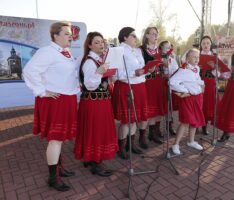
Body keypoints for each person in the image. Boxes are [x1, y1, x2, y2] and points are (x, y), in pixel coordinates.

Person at [23, 21, 79, 191]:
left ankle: (59, 169)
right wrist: (41, 91)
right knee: (55, 140)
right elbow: (29, 71)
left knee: (60, 139)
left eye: (70, 33)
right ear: (56, 35)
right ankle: (53, 178)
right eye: (67, 33)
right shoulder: (47, 52)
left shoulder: (66, 52)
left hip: (67, 98)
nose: (71, 36)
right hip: (55, 100)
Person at [73, 32, 118, 176]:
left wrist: (107, 73)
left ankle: (90, 158)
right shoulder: (89, 62)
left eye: (102, 42)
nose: (101, 45)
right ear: (90, 45)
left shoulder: (98, 60)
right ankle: (96, 163)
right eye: (97, 42)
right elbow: (89, 84)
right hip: (94, 103)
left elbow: (104, 80)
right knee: (96, 131)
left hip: (99, 101)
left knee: (94, 130)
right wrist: (99, 72)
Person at [112, 27, 151, 159]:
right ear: (124, 37)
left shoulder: (138, 51)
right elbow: (115, 74)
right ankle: (121, 147)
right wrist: (134, 73)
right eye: (133, 36)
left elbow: (141, 68)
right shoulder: (118, 51)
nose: (136, 38)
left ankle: (131, 144)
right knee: (126, 120)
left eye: (135, 35)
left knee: (134, 118)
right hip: (125, 87)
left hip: (140, 86)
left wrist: (147, 70)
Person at [170, 48, 205, 155]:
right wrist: (185, 90)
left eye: (198, 57)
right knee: (185, 121)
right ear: (188, 58)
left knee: (195, 120)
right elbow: (171, 82)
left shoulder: (197, 68)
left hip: (198, 97)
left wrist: (201, 84)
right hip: (188, 98)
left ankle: (191, 141)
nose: (196, 59)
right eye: (194, 57)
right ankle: (175, 144)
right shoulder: (183, 70)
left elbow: (196, 79)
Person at [198, 36, 230, 135]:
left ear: (210, 44)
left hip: (211, 83)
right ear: (201, 45)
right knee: (199, 104)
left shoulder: (215, 56)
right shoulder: (196, 55)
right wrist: (197, 67)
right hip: (199, 83)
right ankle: (196, 125)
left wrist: (214, 68)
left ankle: (204, 126)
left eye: (207, 43)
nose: (206, 45)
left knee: (209, 105)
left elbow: (220, 74)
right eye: (203, 43)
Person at [139, 26, 163, 149]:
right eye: (153, 34)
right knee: (147, 110)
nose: (155, 36)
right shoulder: (141, 50)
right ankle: (142, 136)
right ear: (147, 35)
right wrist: (148, 68)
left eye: (156, 34)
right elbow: (138, 66)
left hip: (158, 81)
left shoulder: (159, 49)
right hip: (147, 82)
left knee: (155, 109)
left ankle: (152, 134)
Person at [159, 40, 179, 136]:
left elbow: (176, 69)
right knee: (160, 105)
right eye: (166, 47)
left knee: (169, 106)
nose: (168, 49)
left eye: (169, 47)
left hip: (170, 83)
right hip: (160, 84)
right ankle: (156, 129)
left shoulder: (172, 58)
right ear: (161, 48)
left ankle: (169, 125)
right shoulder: (158, 57)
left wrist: (170, 67)